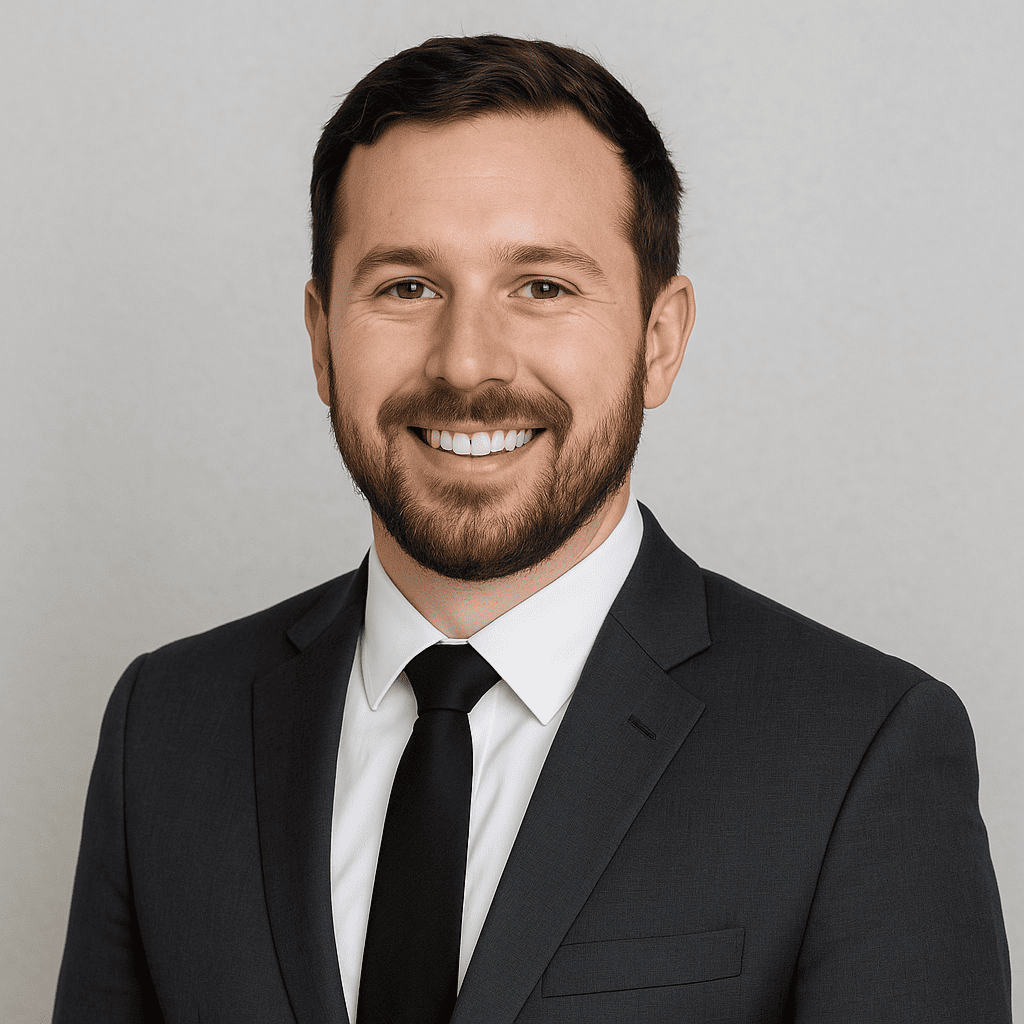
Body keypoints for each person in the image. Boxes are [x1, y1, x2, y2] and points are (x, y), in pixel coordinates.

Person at [53, 34, 1011, 1024]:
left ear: (659, 341)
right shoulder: (165, 728)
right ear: (321, 339)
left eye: (543, 287)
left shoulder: (860, 751)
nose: (467, 363)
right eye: (406, 287)